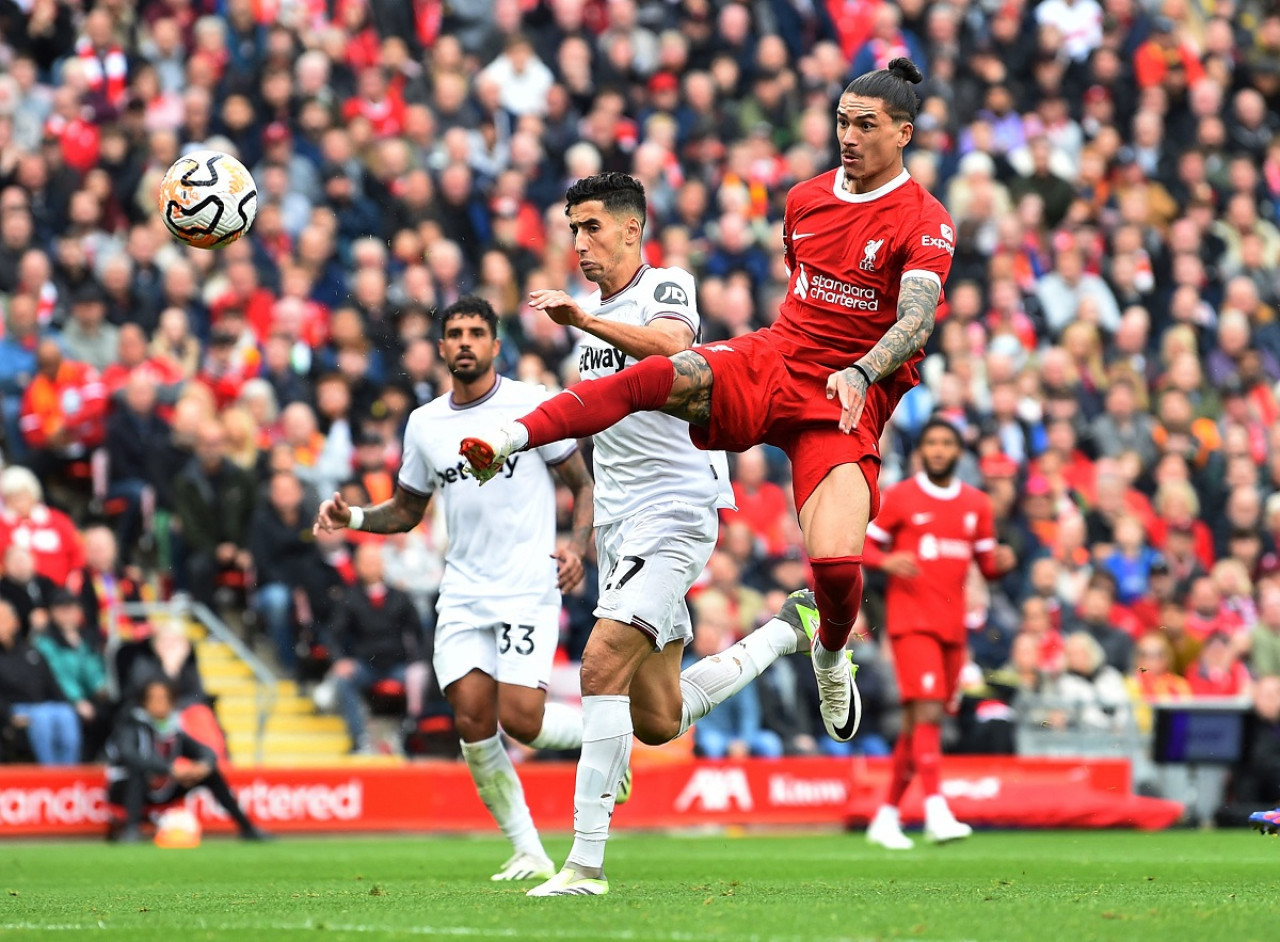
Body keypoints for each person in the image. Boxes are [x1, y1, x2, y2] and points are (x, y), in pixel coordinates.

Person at [461, 59, 951, 762]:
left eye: (865, 125)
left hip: (847, 399)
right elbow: (803, 303)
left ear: (902, 133)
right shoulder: (806, 200)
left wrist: (863, 369)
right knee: (655, 378)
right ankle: (509, 436)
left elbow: (917, 318)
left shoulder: (926, 220)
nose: (848, 135)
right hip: (777, 361)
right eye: (842, 121)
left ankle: (828, 653)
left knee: (839, 569)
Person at [466, 171, 838, 898]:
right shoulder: (594, 324)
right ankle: (786, 632)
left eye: (593, 227)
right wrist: (583, 528)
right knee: (660, 719)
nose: (580, 242)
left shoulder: (666, 286)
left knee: (600, 665)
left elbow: (670, 350)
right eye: (573, 229)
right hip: (622, 526)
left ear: (633, 230)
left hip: (677, 512)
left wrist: (583, 321)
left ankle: (584, 865)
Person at [314, 296, 597, 882]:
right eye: (454, 334)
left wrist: (577, 547)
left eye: (476, 333)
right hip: (464, 590)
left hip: (525, 586)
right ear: (440, 348)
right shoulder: (424, 425)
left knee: (524, 721)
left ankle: (605, 736)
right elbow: (408, 510)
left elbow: (582, 483)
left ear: (495, 345)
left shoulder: (531, 404)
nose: (465, 342)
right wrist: (355, 519)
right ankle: (528, 848)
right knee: (471, 718)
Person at [860, 418, 1016, 849]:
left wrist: (1005, 561)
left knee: (919, 725)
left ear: (958, 452)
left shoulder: (976, 505)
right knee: (927, 713)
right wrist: (886, 563)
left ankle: (887, 817)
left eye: (947, 443)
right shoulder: (903, 497)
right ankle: (935, 810)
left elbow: (987, 565)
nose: (939, 450)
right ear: (921, 451)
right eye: (932, 443)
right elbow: (865, 544)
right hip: (912, 625)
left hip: (953, 629)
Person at [104, 678, 268, 842]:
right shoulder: (131, 725)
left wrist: (204, 765)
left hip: (163, 787)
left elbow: (204, 750)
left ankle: (247, 828)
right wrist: (169, 769)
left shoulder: (173, 730)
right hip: (125, 789)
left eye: (164, 699)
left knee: (211, 775)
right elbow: (129, 755)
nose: (160, 704)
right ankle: (131, 830)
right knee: (136, 773)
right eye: (154, 699)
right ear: (144, 702)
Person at [0, 599, 81, 765]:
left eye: (3, 619)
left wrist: (67, 705)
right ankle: (50, 773)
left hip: (45, 707)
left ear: (15, 623)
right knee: (42, 717)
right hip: (16, 709)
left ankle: (70, 772)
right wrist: (9, 715)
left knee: (66, 713)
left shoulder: (31, 652)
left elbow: (52, 684)